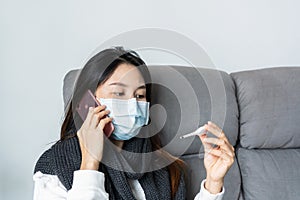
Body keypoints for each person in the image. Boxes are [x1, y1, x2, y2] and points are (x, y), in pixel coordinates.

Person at [33, 47, 235, 200]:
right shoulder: (53, 169)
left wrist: (213, 184)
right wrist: (90, 164)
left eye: (139, 95)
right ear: (88, 102)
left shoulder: (161, 166)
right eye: (119, 93)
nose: (132, 105)